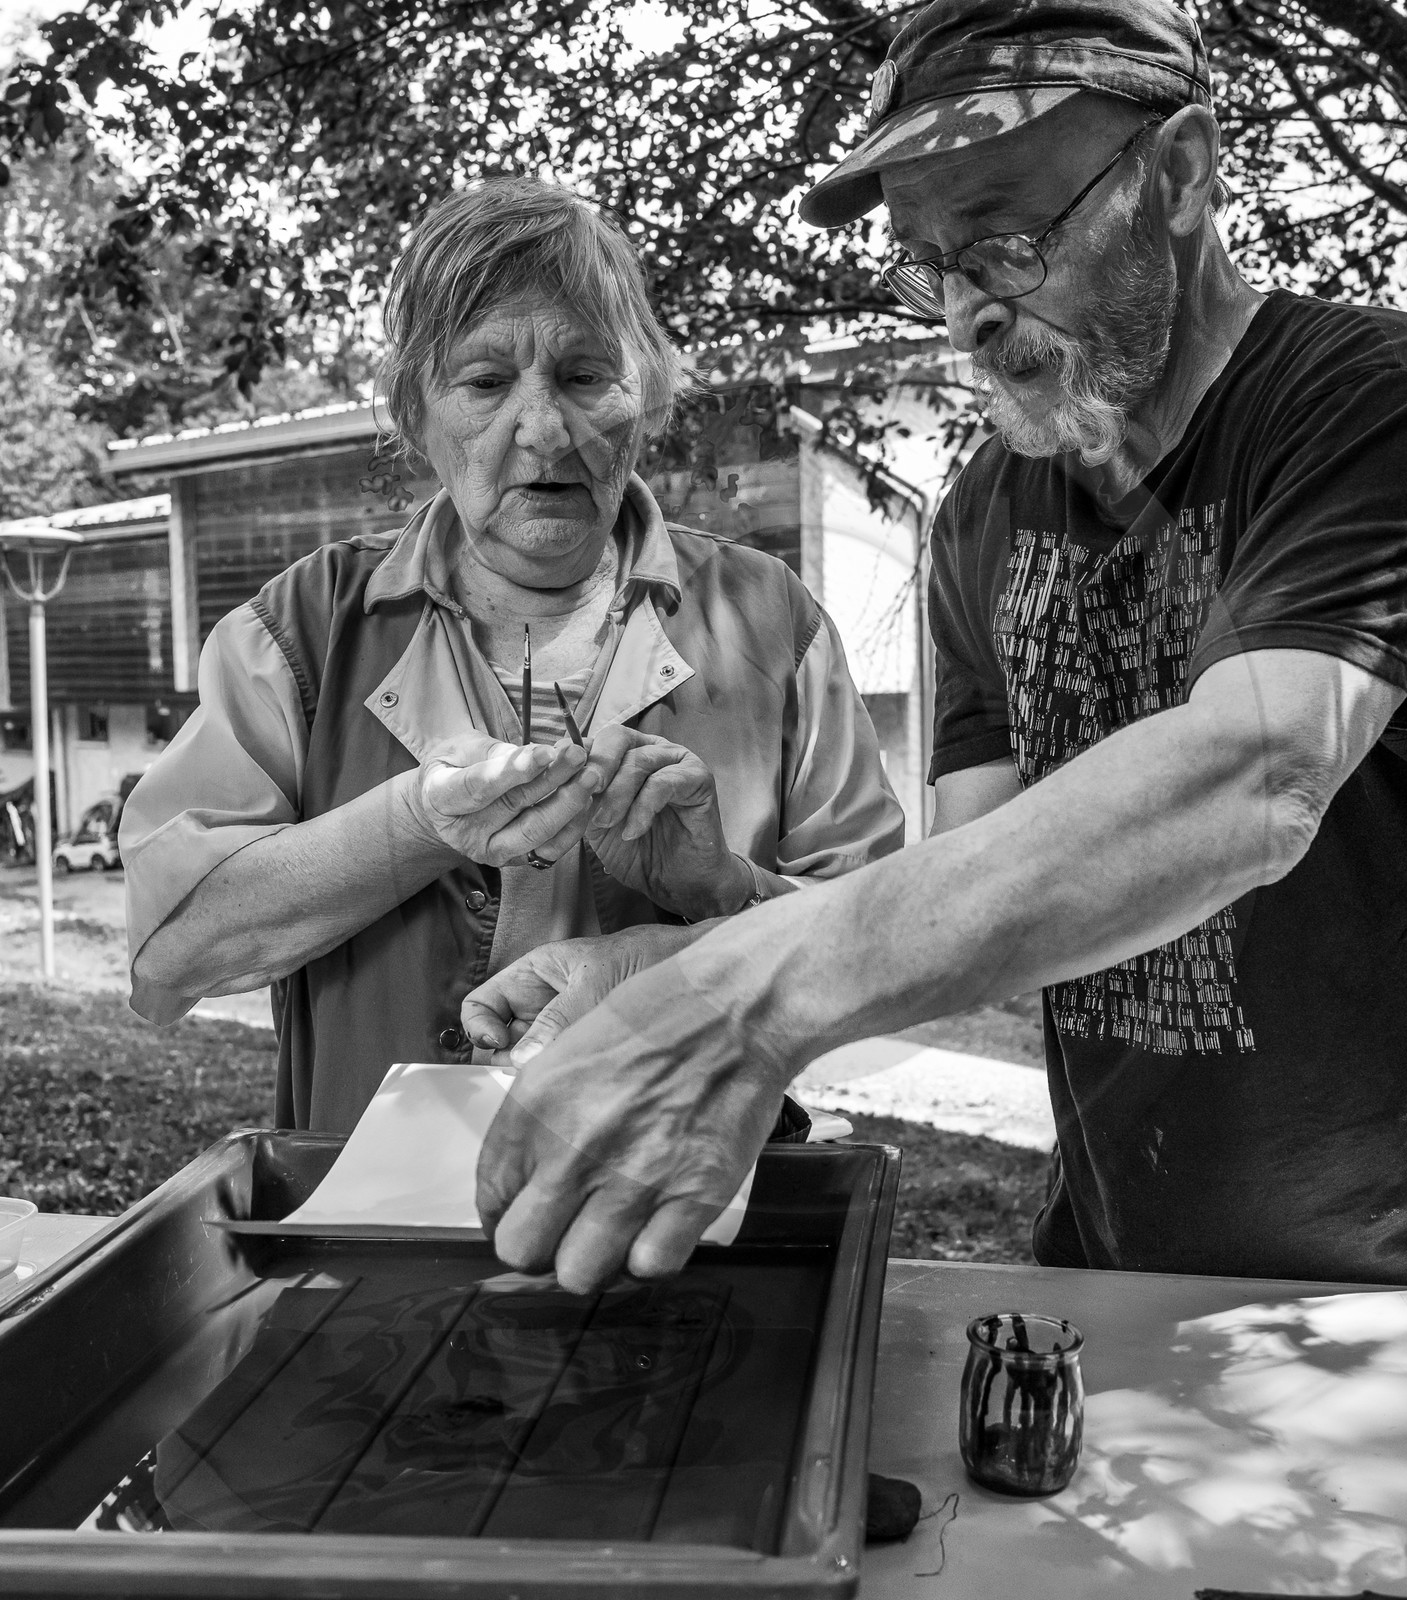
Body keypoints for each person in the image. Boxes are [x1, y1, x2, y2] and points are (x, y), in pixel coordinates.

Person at [465, 0, 1407, 1299]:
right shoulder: (985, 515)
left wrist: (743, 996)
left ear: (1179, 178)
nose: (963, 318)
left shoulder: (1380, 406)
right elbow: (963, 903)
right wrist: (678, 952)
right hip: (1107, 1276)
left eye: (1004, 242)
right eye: (929, 266)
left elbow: (1254, 779)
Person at [119, 176, 903, 1133]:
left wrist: (721, 893)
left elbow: (892, 952)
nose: (542, 429)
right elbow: (168, 955)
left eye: (584, 376)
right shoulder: (305, 628)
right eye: (485, 383)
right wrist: (414, 824)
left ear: (645, 398)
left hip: (689, 1217)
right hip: (378, 1222)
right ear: (415, 413)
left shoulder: (772, 623)